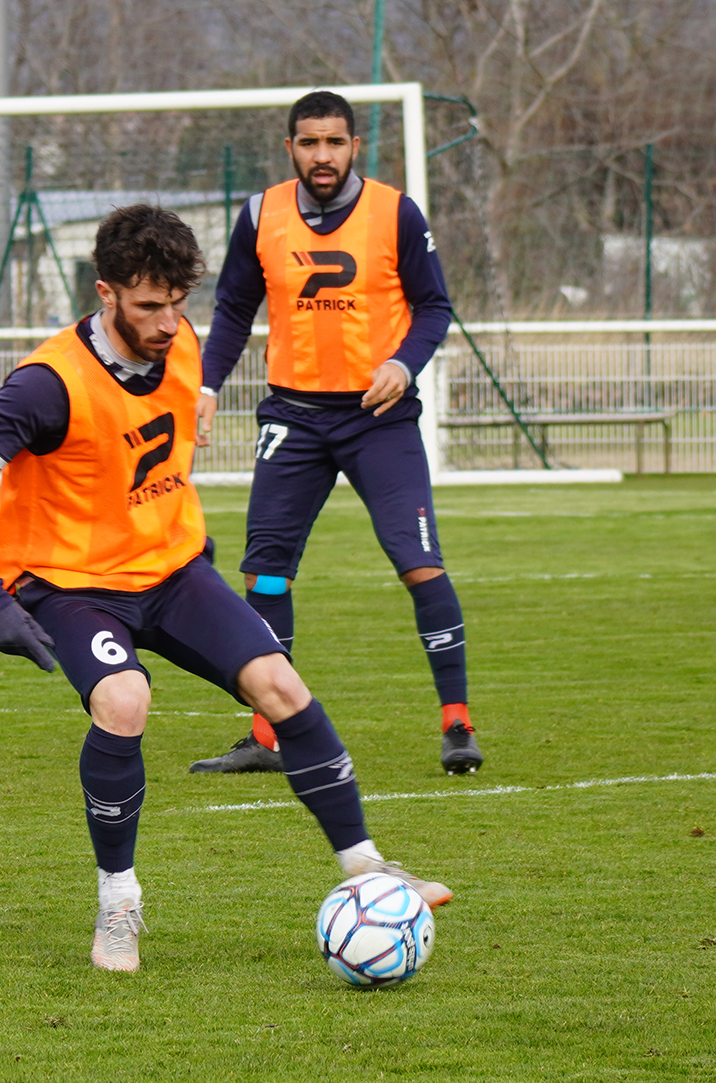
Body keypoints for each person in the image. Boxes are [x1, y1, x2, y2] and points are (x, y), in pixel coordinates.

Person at [0, 204, 451, 973]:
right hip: (72, 587)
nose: (169, 323)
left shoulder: (186, 344)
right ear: (105, 293)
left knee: (280, 684)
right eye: (148, 307)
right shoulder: (47, 384)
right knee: (124, 700)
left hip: (169, 571)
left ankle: (367, 867)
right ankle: (119, 903)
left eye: (178, 303)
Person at [189, 90, 481, 778]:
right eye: (310, 142)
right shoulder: (261, 213)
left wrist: (403, 366)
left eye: (335, 142)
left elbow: (435, 306)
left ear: (355, 147)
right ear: (289, 147)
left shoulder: (396, 211)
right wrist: (206, 386)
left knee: (418, 562)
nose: (323, 155)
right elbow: (233, 308)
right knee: (264, 570)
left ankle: (457, 724)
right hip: (292, 416)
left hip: (377, 419)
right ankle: (268, 734)